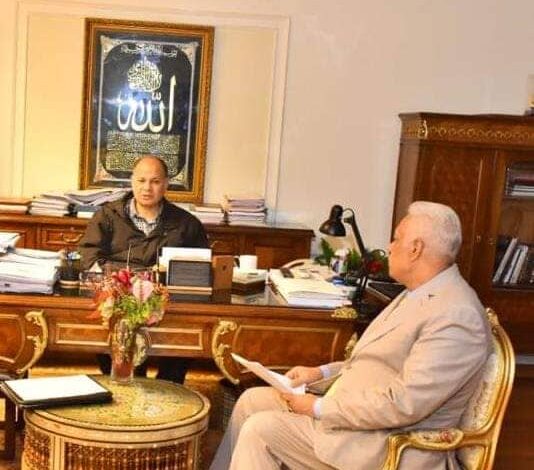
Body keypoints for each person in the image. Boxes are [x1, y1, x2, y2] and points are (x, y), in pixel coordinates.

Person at [210, 201, 492, 470]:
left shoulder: (456, 314)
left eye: (396, 239)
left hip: (385, 445)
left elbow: (405, 403)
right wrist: (319, 373)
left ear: (416, 249)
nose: (389, 247)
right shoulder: (418, 292)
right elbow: (375, 363)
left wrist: (320, 408)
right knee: (251, 401)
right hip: (355, 417)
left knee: (261, 430)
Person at [79, 155, 208, 383]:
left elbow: (200, 269)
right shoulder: (107, 216)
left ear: (166, 184)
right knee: (113, 336)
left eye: (155, 181)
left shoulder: (187, 224)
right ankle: (124, 384)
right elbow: (89, 256)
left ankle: (169, 387)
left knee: (188, 331)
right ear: (132, 181)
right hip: (118, 300)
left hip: (168, 304)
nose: (147, 188)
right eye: (141, 180)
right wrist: (119, 282)